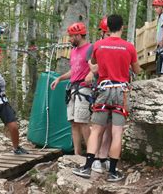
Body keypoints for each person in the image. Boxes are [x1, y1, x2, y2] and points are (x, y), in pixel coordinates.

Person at [73, 14, 141, 182]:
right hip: (121, 91)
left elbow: (94, 65)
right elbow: (137, 70)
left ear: (107, 28)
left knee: (95, 130)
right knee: (117, 131)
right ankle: (112, 172)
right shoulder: (129, 47)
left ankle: (87, 167)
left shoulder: (98, 45)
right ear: (122, 27)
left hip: (103, 91)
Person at [50, 22, 93, 156]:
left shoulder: (90, 49)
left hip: (84, 89)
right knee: (73, 123)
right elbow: (73, 71)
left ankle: (91, 155)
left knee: (83, 122)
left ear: (79, 35)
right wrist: (59, 78)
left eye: (71, 36)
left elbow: (96, 67)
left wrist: (91, 74)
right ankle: (77, 155)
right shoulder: (73, 51)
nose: (69, 39)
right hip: (73, 89)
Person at [87, 17, 113, 174]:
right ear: (103, 33)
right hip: (100, 89)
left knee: (110, 127)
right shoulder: (95, 46)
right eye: (107, 33)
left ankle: (104, 157)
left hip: (114, 90)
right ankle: (95, 157)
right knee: (98, 127)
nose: (109, 36)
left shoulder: (118, 46)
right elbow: (92, 67)